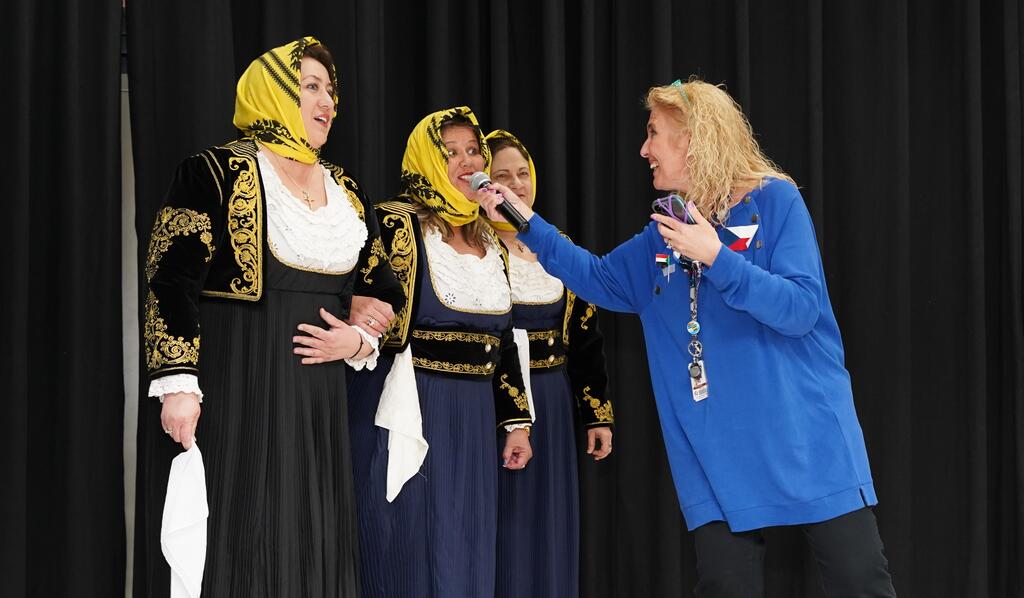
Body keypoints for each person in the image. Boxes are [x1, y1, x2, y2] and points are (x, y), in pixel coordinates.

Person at [477, 79, 897, 598]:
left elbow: (799, 310)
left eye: (653, 133)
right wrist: (523, 221)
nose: (643, 149)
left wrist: (716, 256)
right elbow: (599, 278)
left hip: (803, 431)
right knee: (725, 584)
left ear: (694, 139)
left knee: (858, 580)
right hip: (714, 446)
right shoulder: (666, 227)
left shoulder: (776, 201)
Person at [136, 37, 404, 597]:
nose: (327, 101)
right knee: (242, 530)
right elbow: (170, 279)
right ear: (274, 92)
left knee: (311, 534)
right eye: (311, 87)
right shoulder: (214, 172)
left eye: (330, 91)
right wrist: (177, 383)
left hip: (317, 398)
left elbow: (384, 296)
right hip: (240, 381)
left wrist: (357, 341)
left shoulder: (347, 192)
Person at [345, 107, 534, 597]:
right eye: (451, 152)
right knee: (409, 549)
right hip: (412, 409)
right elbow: (359, 303)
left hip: (474, 418)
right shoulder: (395, 223)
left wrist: (515, 421)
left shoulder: (491, 239)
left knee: (466, 550)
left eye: (474, 150)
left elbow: (504, 340)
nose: (467, 161)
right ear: (428, 159)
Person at [484, 129, 614, 598]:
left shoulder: (555, 245)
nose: (515, 184)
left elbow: (585, 337)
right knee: (506, 527)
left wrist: (596, 414)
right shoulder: (476, 247)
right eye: (502, 176)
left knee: (548, 528)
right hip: (496, 405)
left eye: (523, 174)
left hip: (553, 404)